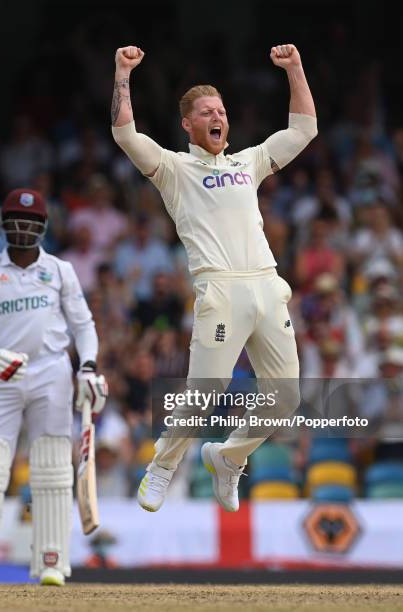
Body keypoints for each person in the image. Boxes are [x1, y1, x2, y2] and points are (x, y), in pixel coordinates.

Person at [111, 44, 317, 513]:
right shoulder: (174, 169)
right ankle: (162, 466)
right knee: (204, 393)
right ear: (188, 124)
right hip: (220, 288)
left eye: (221, 110)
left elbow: (305, 129)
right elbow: (125, 135)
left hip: (267, 284)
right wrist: (123, 73)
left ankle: (228, 457)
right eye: (206, 112)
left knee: (286, 398)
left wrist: (295, 69)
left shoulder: (249, 162)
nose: (216, 115)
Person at [0, 188, 107, 586]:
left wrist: (86, 368)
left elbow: (84, 326)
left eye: (31, 223)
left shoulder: (61, 270)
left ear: (44, 227)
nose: (23, 229)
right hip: (1, 374)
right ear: (2, 224)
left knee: (51, 469)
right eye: (16, 220)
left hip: (51, 374)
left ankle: (52, 561)